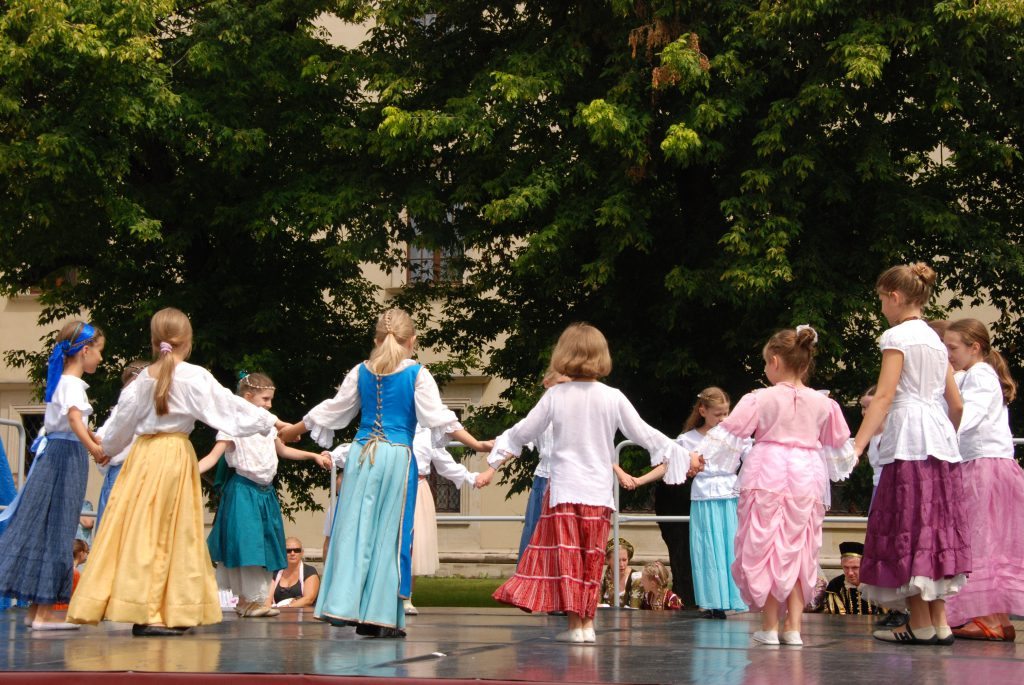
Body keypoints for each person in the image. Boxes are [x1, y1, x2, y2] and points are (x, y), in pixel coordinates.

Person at [68, 308, 284, 637]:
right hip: (173, 456)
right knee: (172, 534)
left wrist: (105, 448)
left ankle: (152, 609)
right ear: (188, 341)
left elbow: (120, 424)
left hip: (143, 458)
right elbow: (227, 408)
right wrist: (273, 422)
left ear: (155, 342)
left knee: (144, 533)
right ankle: (158, 613)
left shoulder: (143, 380)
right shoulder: (193, 376)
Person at [278, 308, 493, 638]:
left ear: (376, 340)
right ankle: (379, 616)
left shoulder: (361, 371)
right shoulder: (417, 374)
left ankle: (346, 606)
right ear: (413, 341)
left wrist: (292, 430)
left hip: (364, 455)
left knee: (355, 532)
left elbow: (333, 410)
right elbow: (440, 419)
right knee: (390, 537)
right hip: (396, 458)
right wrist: (476, 444)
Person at [480, 323, 700, 643]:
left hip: (566, 490)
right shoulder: (612, 397)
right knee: (593, 559)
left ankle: (575, 626)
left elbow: (522, 432)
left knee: (571, 559)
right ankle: (587, 624)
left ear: (564, 354)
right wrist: (679, 452)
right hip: (598, 492)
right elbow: (644, 433)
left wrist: (496, 454)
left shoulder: (555, 395)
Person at [690, 325, 857, 647]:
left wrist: (699, 456)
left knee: (766, 549)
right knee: (798, 550)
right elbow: (840, 447)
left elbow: (731, 434)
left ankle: (769, 626)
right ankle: (793, 628)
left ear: (776, 361)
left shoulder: (759, 399)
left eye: (766, 362)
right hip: (807, 475)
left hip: (767, 472)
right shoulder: (825, 405)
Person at [853, 263, 968, 647]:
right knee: (934, 527)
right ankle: (939, 622)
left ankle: (919, 624)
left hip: (909, 439)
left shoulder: (897, 335)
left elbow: (883, 397)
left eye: (882, 300)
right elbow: (956, 404)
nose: (881, 307)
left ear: (896, 297)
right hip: (939, 440)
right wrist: (943, 434)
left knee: (910, 525)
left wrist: (857, 444)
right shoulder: (937, 342)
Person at [198, 372, 332, 618]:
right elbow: (213, 457)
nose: (270, 405)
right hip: (243, 492)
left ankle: (250, 601)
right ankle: (250, 600)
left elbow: (284, 450)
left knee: (263, 546)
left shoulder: (267, 428)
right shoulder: (232, 427)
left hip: (264, 493)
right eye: (265, 399)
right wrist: (188, 470)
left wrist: (313, 456)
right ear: (248, 398)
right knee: (248, 545)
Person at [0, 321, 105, 631]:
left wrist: (95, 438)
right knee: (59, 527)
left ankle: (38, 611)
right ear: (85, 351)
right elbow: (73, 418)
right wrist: (94, 449)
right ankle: (43, 614)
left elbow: (73, 421)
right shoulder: (72, 385)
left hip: (58, 455)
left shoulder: (64, 383)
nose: (100, 358)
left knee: (51, 528)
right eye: (98, 351)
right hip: (65, 459)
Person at [633, 387, 747, 619]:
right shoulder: (688, 439)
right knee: (706, 550)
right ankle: (713, 602)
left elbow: (755, 459)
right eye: (718, 414)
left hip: (729, 496)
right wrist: (639, 480)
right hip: (703, 497)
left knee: (730, 548)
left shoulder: (736, 436)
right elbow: (668, 465)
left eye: (726, 413)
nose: (723, 419)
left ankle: (732, 599)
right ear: (702, 410)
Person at [942, 318, 1023, 642]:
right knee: (988, 539)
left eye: (952, 348)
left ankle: (986, 617)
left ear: (974, 347)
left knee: (979, 538)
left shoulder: (979, 375)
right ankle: (996, 617)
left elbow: (965, 416)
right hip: (991, 464)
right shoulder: (979, 374)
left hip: (982, 466)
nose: (948, 355)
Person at [404, 424, 482, 615]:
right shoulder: (392, 426)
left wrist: (471, 477)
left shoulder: (427, 431)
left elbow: (444, 462)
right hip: (394, 486)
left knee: (416, 545)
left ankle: (407, 597)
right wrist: (334, 456)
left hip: (419, 487)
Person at [94, 359, 148, 532]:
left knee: (114, 530)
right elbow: (106, 435)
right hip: (128, 469)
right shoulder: (129, 403)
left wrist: (106, 448)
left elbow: (107, 435)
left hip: (127, 469)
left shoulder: (132, 402)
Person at [824, 542, 883, 615]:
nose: (850, 573)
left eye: (855, 567)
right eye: (846, 567)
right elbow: (835, 618)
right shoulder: (835, 586)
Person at [267, 537, 321, 608]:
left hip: (304, 616)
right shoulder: (275, 572)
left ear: (302, 553)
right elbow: (267, 599)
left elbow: (308, 599)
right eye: (288, 551)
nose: (292, 553)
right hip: (277, 615)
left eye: (297, 550)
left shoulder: (309, 572)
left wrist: (288, 607)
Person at [599, 538, 643, 608]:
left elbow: (634, 611)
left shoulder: (636, 579)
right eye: (617, 560)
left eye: (624, 560)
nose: (622, 564)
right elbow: (594, 606)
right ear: (607, 560)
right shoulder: (604, 578)